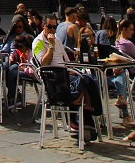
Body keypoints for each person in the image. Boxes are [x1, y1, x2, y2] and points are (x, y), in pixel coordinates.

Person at [32, 13, 102, 142]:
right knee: (86, 80)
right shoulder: (38, 42)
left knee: (89, 78)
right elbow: (44, 64)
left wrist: (74, 69)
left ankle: (84, 116)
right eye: (49, 27)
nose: (52, 30)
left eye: (55, 27)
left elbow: (65, 60)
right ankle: (94, 112)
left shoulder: (58, 39)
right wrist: (51, 46)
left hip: (66, 73)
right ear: (44, 26)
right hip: (52, 78)